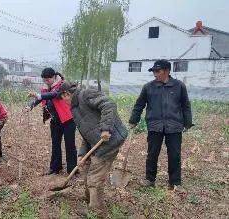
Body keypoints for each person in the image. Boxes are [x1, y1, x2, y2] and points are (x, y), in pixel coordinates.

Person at [58, 81, 128, 215]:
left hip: (110, 141)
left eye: (62, 98)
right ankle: (90, 199)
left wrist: (106, 128)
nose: (63, 102)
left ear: (66, 94)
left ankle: (97, 211)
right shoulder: (75, 109)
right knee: (84, 168)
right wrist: (82, 154)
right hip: (96, 142)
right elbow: (87, 133)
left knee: (94, 177)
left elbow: (109, 105)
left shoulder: (86, 94)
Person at [129, 59, 193, 191]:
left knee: (174, 154)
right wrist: (133, 120)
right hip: (155, 125)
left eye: (157, 71)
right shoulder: (148, 87)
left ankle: (175, 183)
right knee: (152, 153)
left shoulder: (179, 86)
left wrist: (187, 122)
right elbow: (139, 105)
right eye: (153, 71)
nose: (155, 74)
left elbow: (186, 106)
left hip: (174, 125)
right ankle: (149, 179)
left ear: (167, 71)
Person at [26, 67, 77, 175]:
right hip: (55, 120)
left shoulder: (63, 85)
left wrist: (39, 95)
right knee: (55, 144)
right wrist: (31, 105)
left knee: (70, 145)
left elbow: (55, 95)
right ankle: (55, 168)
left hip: (68, 120)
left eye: (48, 80)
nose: (46, 82)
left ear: (54, 77)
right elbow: (41, 99)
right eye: (44, 80)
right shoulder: (45, 87)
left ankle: (72, 170)